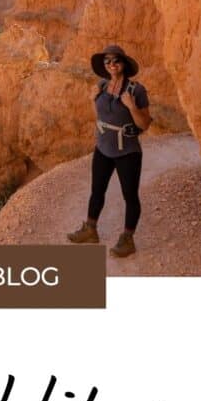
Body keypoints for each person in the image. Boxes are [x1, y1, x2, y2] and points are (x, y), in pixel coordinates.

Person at [67, 44, 152, 257]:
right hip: (103, 147)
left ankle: (127, 239)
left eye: (116, 60)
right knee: (97, 190)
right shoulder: (102, 86)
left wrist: (131, 106)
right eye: (107, 61)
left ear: (123, 63)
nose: (112, 64)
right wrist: (92, 98)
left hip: (128, 151)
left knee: (130, 196)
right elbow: (99, 115)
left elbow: (145, 124)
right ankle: (90, 229)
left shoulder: (136, 90)